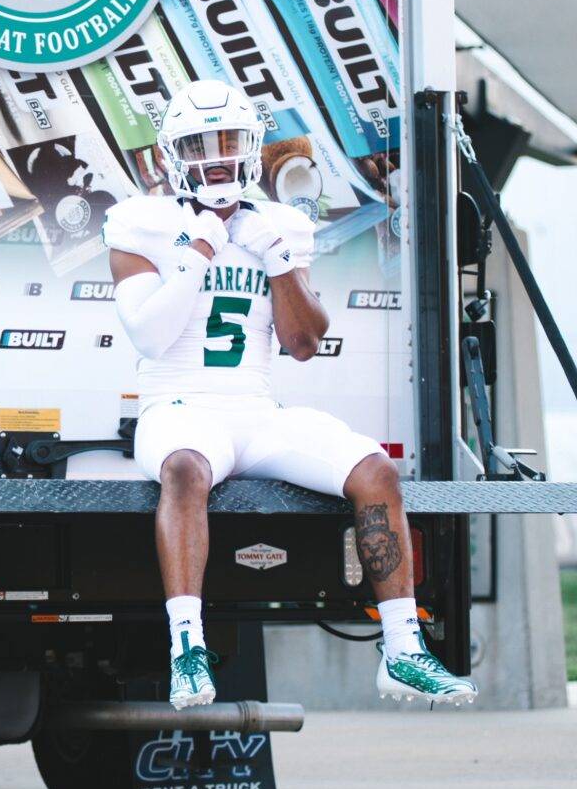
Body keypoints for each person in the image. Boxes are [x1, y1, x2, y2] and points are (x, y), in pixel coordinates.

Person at [101, 80, 477, 710]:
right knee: (185, 470)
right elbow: (149, 336)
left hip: (255, 409)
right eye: (201, 144)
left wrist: (279, 263)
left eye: (229, 142)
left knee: (375, 470)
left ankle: (404, 649)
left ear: (252, 149)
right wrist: (197, 253)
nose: (217, 158)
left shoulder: (279, 225)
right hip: (178, 408)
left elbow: (303, 343)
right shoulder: (141, 221)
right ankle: (187, 651)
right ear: (173, 153)